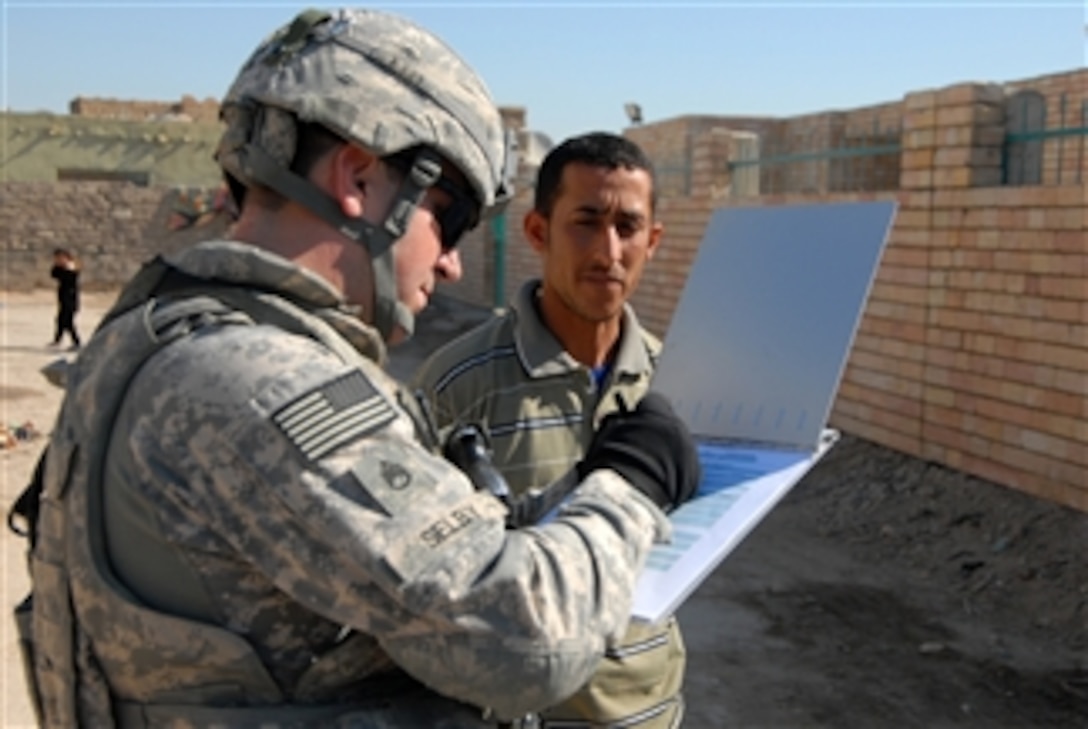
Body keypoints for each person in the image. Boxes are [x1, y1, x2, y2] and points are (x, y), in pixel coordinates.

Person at [12, 8, 702, 727]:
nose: (451, 260)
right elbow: (527, 642)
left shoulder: (147, 330)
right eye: (449, 215)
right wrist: (631, 482)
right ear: (359, 176)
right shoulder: (262, 378)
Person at [412, 132, 688, 728]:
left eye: (628, 227)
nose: (608, 251)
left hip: (649, 707)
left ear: (653, 240)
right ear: (538, 232)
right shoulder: (458, 386)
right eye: (586, 223)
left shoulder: (674, 382)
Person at [49, 247, 81, 350]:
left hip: (70, 300)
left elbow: (70, 278)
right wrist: (58, 266)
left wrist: (67, 267)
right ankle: (57, 340)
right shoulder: (61, 269)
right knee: (60, 321)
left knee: (67, 322)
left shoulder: (72, 270)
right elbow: (53, 274)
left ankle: (76, 342)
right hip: (63, 299)